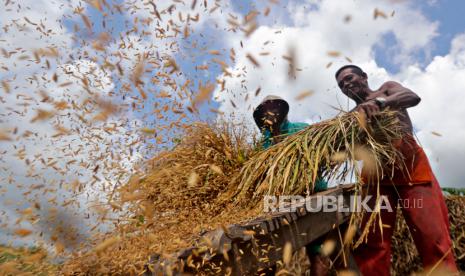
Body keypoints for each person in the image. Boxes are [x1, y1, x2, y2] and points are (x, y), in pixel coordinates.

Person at [335, 65, 458, 275]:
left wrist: (380, 103)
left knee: (432, 235)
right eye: (341, 84)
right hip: (376, 176)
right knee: (372, 240)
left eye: (349, 78)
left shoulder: (386, 90)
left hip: (410, 166)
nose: (346, 84)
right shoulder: (350, 117)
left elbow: (412, 96)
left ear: (364, 77)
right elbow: (348, 150)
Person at [253, 95, 329, 275]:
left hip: (312, 194)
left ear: (283, 111)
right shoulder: (262, 145)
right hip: (279, 203)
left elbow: (324, 156)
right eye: (265, 110)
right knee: (267, 257)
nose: (270, 112)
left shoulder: (302, 130)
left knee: (317, 251)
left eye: (274, 107)